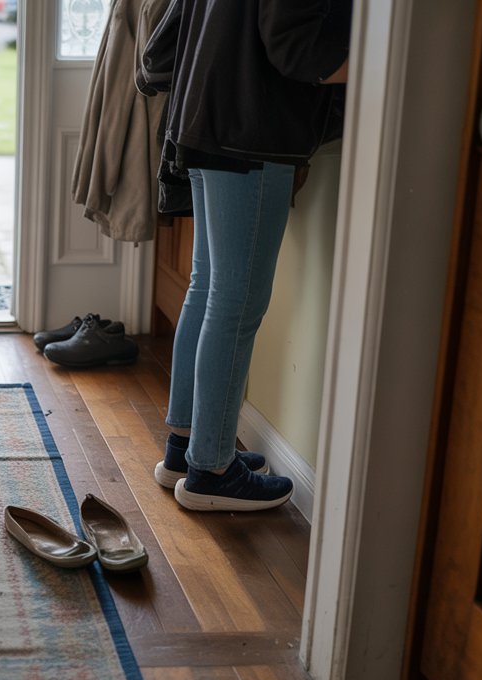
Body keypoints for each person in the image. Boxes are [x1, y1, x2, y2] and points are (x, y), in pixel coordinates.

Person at [139, 0, 350, 512]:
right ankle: (211, 471)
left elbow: (160, 51)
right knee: (234, 306)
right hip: (250, 134)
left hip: (201, 120)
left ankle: (186, 450)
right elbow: (297, 49)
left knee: (209, 289)